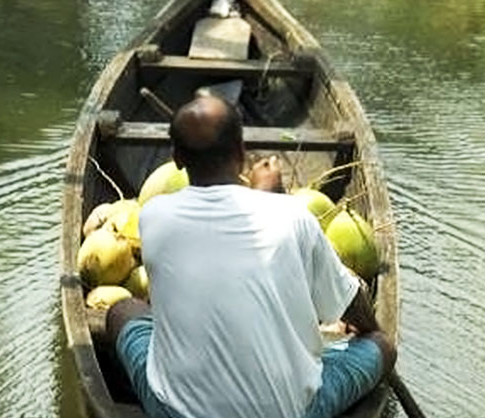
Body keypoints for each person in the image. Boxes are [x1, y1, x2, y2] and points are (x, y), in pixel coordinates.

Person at [107, 96, 396, 418]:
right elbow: (352, 305)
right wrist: (369, 329)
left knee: (122, 311)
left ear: (176, 158)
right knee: (382, 347)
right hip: (291, 412)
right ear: (241, 152)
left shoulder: (153, 216)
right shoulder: (293, 215)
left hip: (175, 413)